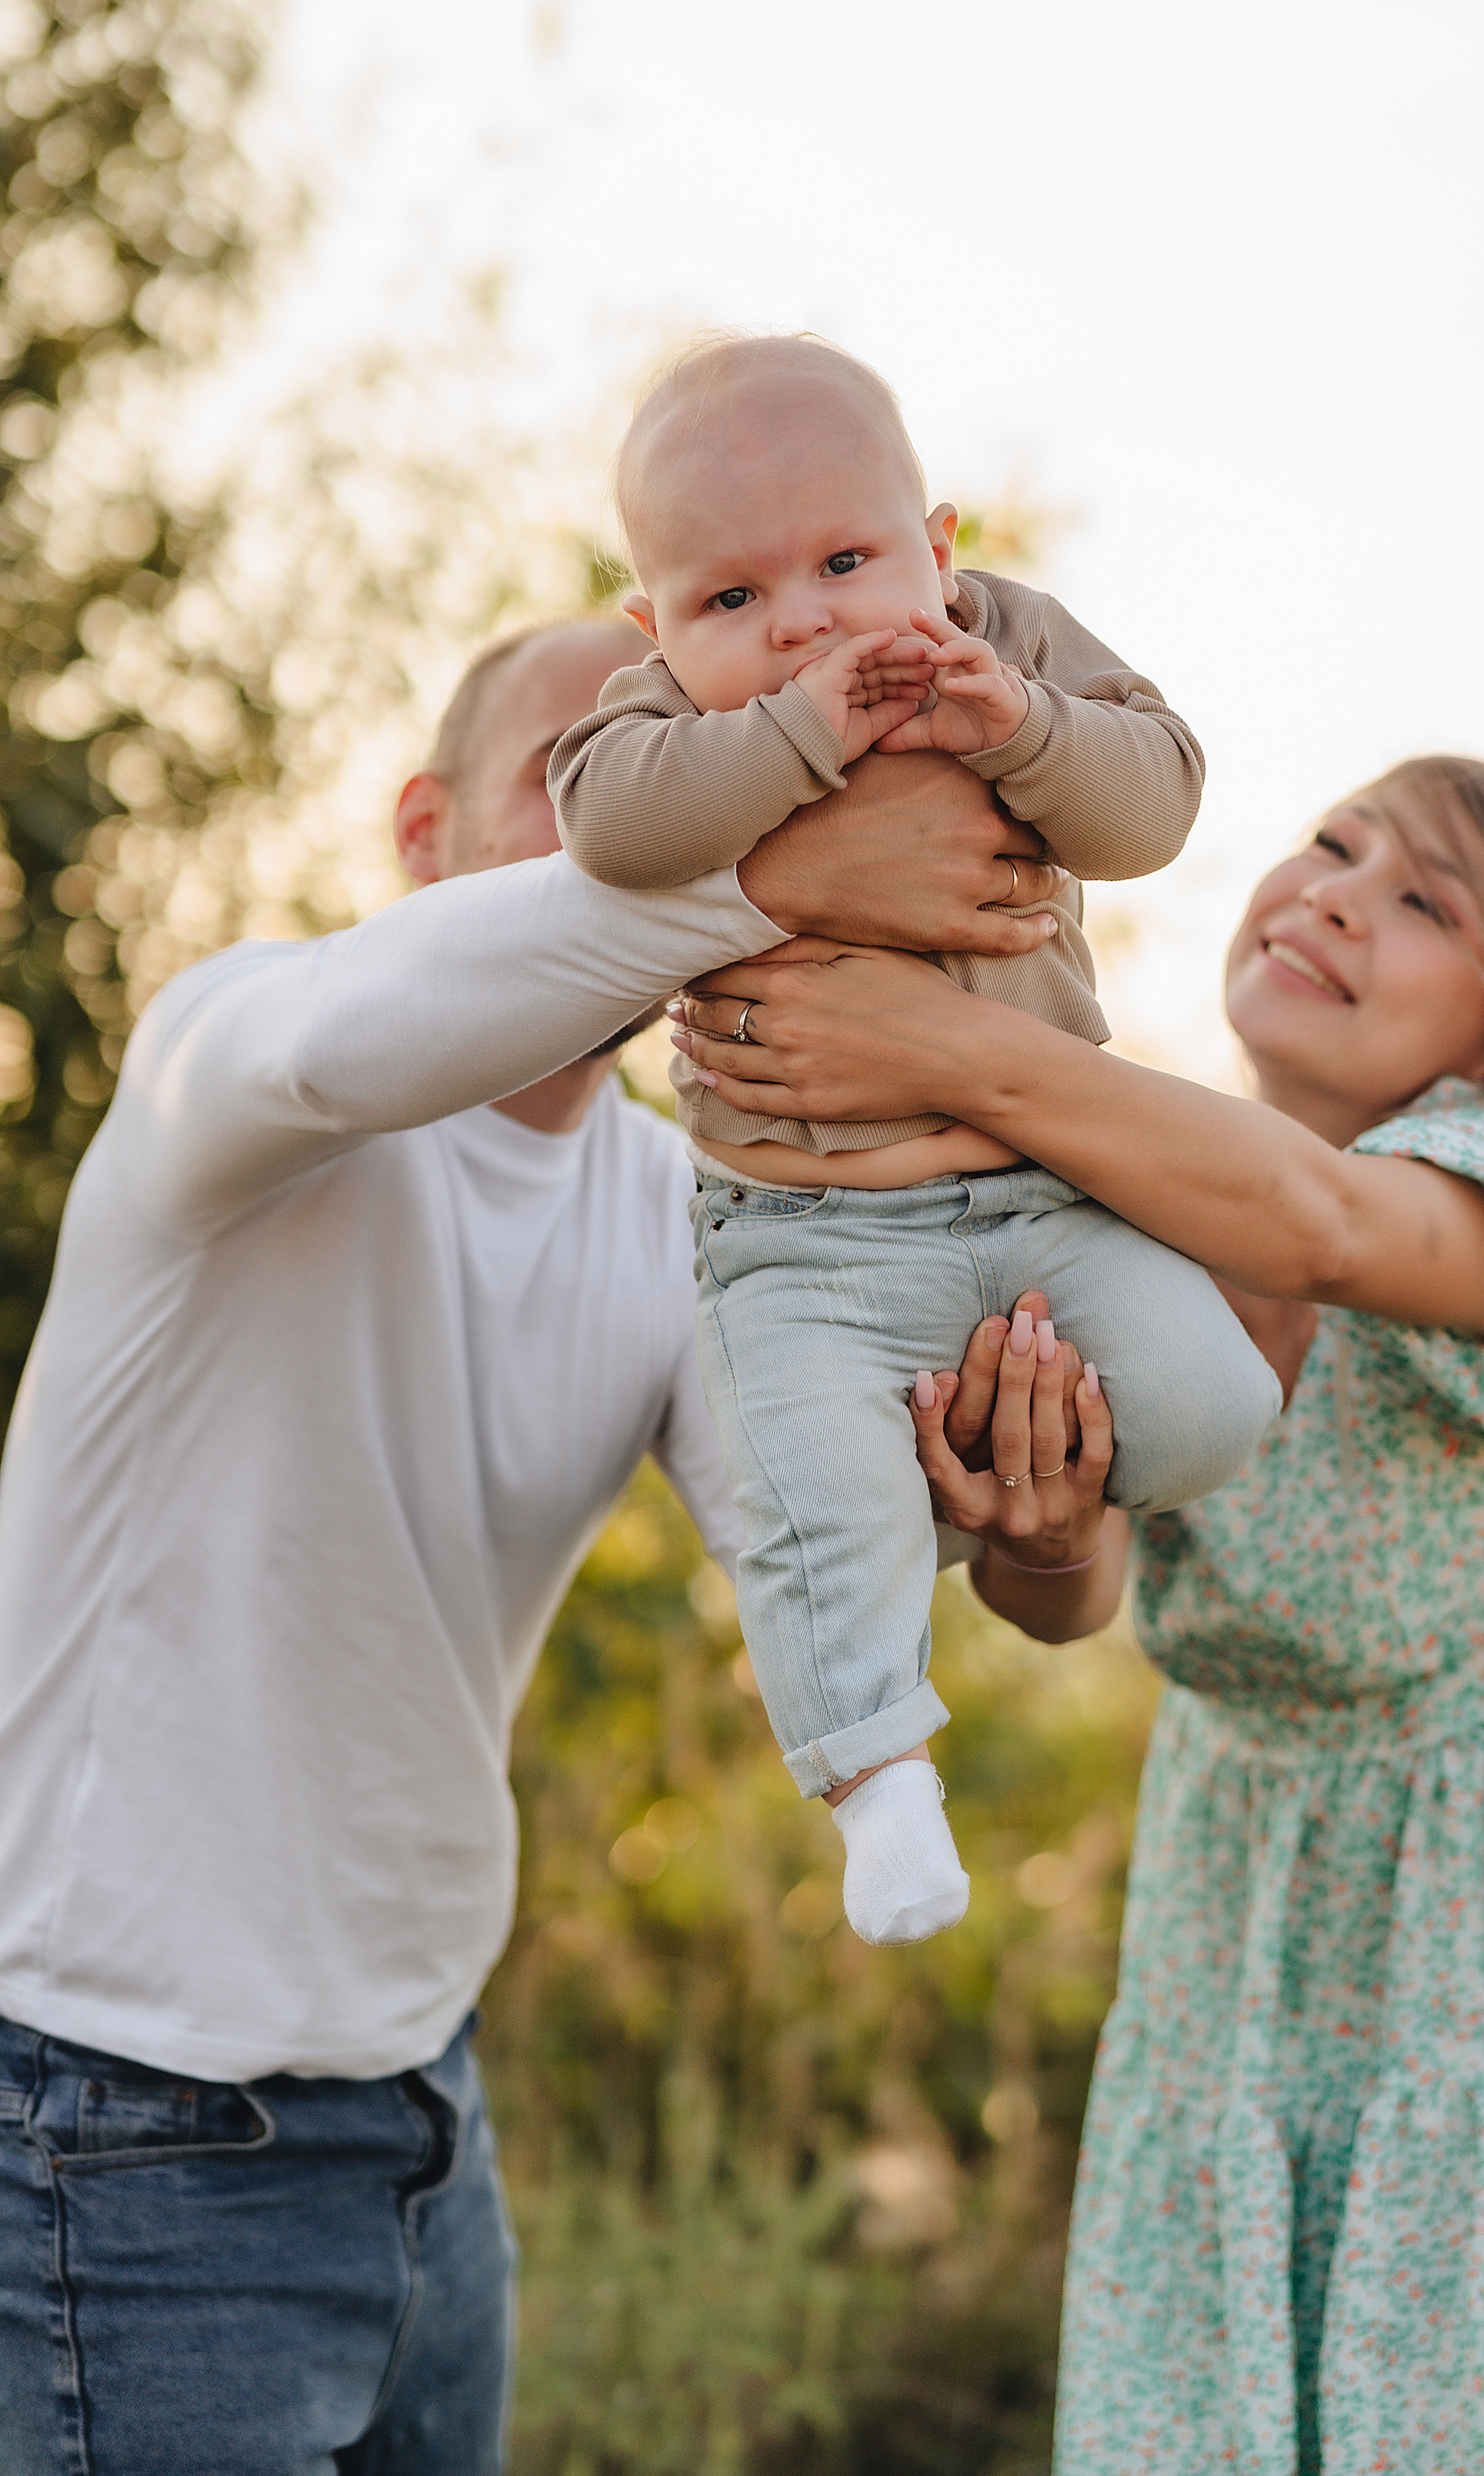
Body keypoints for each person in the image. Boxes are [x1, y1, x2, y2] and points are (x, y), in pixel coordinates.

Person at [672, 752, 1484, 2474]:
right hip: (1234, 1974)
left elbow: (1318, 1221)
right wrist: (1035, 1515)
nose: (1335, 891)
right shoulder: (1130, 1211)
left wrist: (952, 1044)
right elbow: (1074, 1589)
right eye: (1333, 843)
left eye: (1421, 901)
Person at [0, 611, 1071, 2476]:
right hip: (116, 2123)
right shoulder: (239, 1059)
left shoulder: (681, 1202)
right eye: (587, 776)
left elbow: (813, 1547)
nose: (664, 820)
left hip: (423, 2108)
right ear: (420, 831)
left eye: (717, 765)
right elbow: (355, 1037)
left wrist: (1018, 1508)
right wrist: (759, 871)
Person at [546, 334, 1280, 1946]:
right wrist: (798, 736)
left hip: (1045, 1199)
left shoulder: (1003, 637)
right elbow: (609, 823)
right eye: (727, 599)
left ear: (937, 549)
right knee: (799, 1492)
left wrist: (1018, 720)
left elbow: (1151, 800)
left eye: (845, 560)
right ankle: (878, 1782)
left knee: (1215, 1402)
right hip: (806, 1233)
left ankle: (942, 1487)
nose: (800, 617)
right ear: (651, 625)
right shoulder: (664, 719)